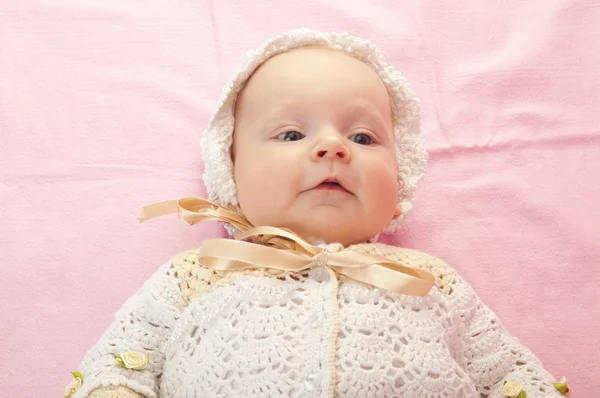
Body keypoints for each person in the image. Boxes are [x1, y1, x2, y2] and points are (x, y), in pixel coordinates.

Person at [66, 28, 571, 398]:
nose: (332, 146)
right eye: (291, 134)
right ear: (230, 170)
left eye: (362, 137)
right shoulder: (202, 271)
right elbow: (122, 361)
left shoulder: (426, 279)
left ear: (401, 179)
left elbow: (507, 372)